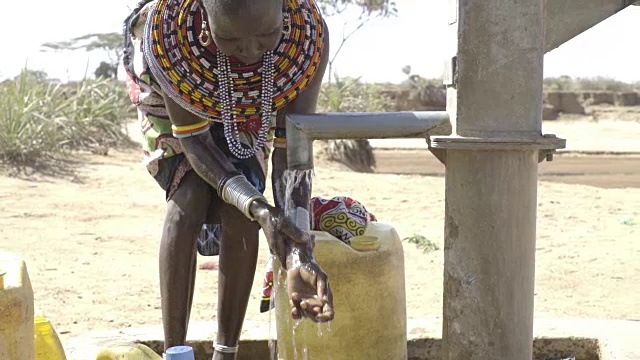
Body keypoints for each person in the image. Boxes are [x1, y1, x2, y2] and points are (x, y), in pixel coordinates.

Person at [122, 0, 334, 357]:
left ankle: (226, 352)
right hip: (172, 97)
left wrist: (299, 249)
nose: (250, 51)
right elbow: (194, 143)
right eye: (232, 38)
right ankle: (176, 351)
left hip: (251, 109)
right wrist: (260, 209)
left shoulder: (304, 41)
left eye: (267, 34)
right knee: (187, 201)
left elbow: (292, 148)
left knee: (239, 213)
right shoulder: (169, 38)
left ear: (283, 13)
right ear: (205, 23)